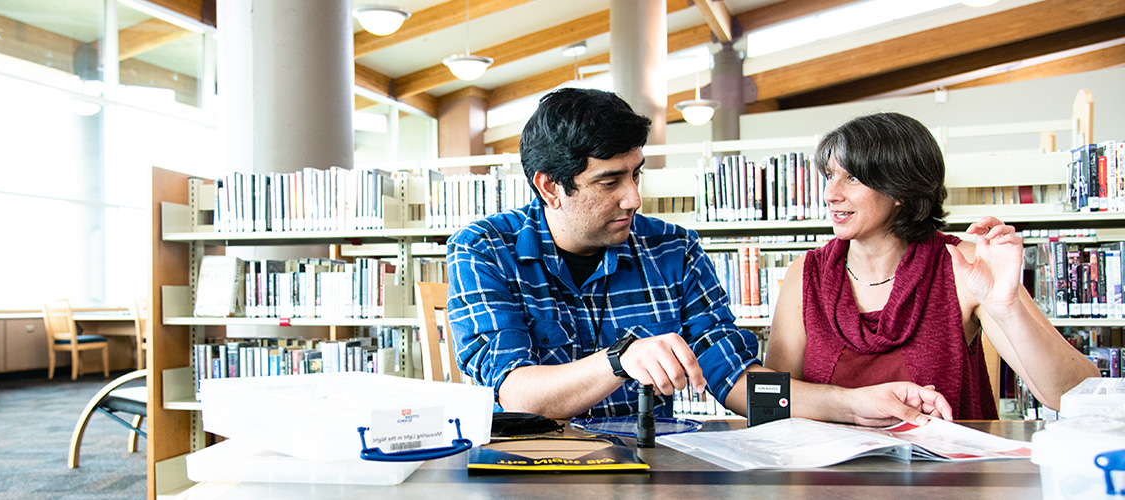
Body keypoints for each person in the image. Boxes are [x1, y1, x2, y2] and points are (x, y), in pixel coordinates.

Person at [447, 88, 952, 426]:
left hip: (653, 473)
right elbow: (516, 395)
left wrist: (856, 403)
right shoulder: (484, 249)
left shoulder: (675, 249)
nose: (633, 199)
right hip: (535, 477)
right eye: (609, 181)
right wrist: (621, 361)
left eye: (636, 174)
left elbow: (738, 383)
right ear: (550, 186)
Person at [764, 112, 1099, 418]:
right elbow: (772, 402)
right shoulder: (806, 274)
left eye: (852, 178)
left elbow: (1074, 395)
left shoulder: (964, 265)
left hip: (944, 478)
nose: (830, 194)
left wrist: (1008, 308)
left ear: (901, 191)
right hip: (827, 478)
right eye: (829, 176)